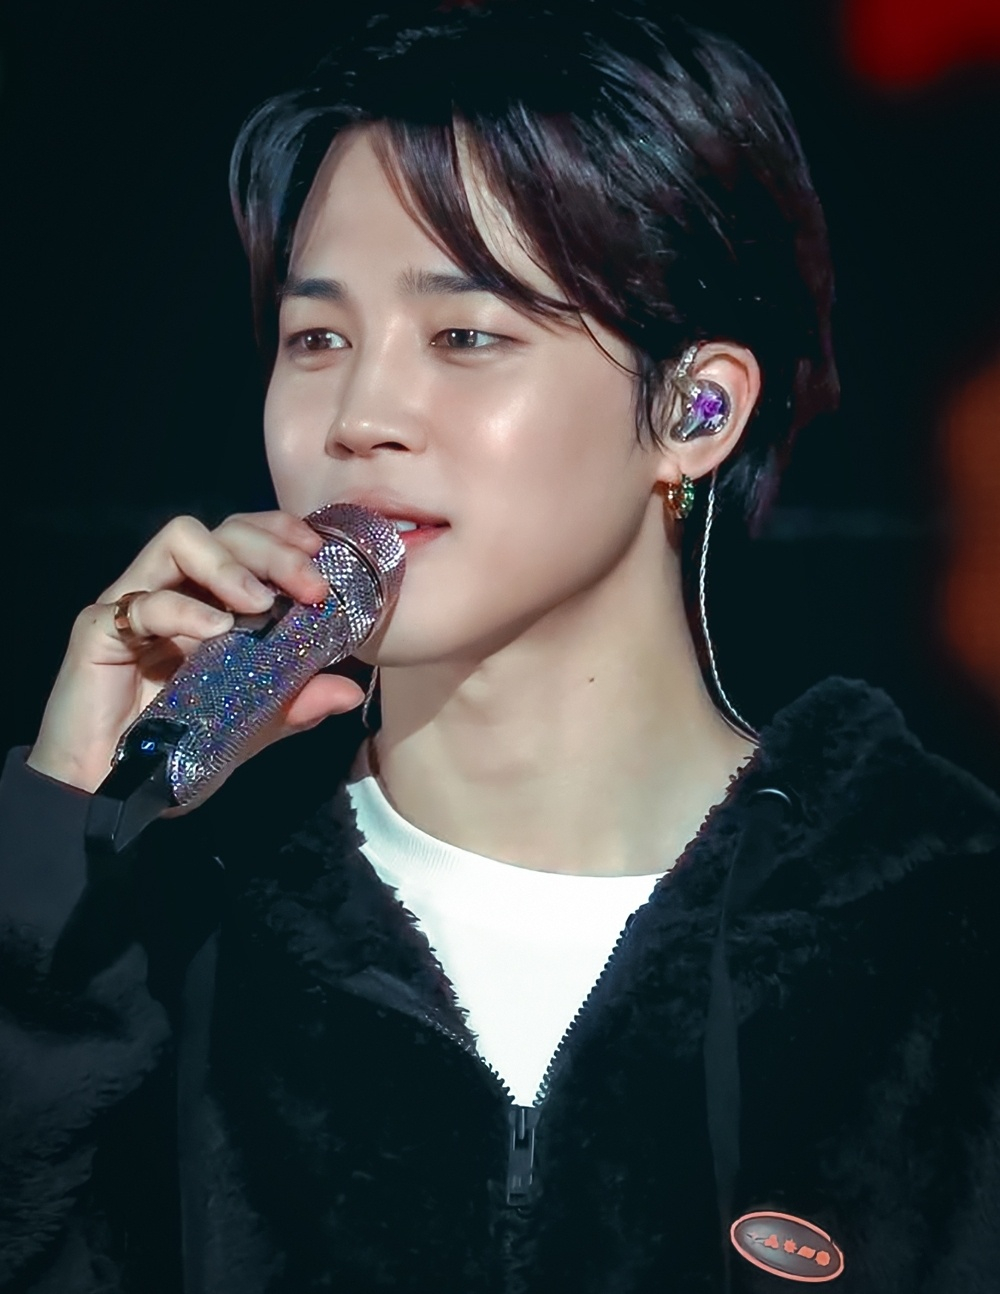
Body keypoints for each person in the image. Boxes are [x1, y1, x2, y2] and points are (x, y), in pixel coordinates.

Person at [2, 3, 999, 1291]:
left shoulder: (938, 927)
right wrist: (65, 839)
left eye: (465, 336)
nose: (360, 415)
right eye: (317, 338)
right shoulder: (167, 929)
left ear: (696, 410)